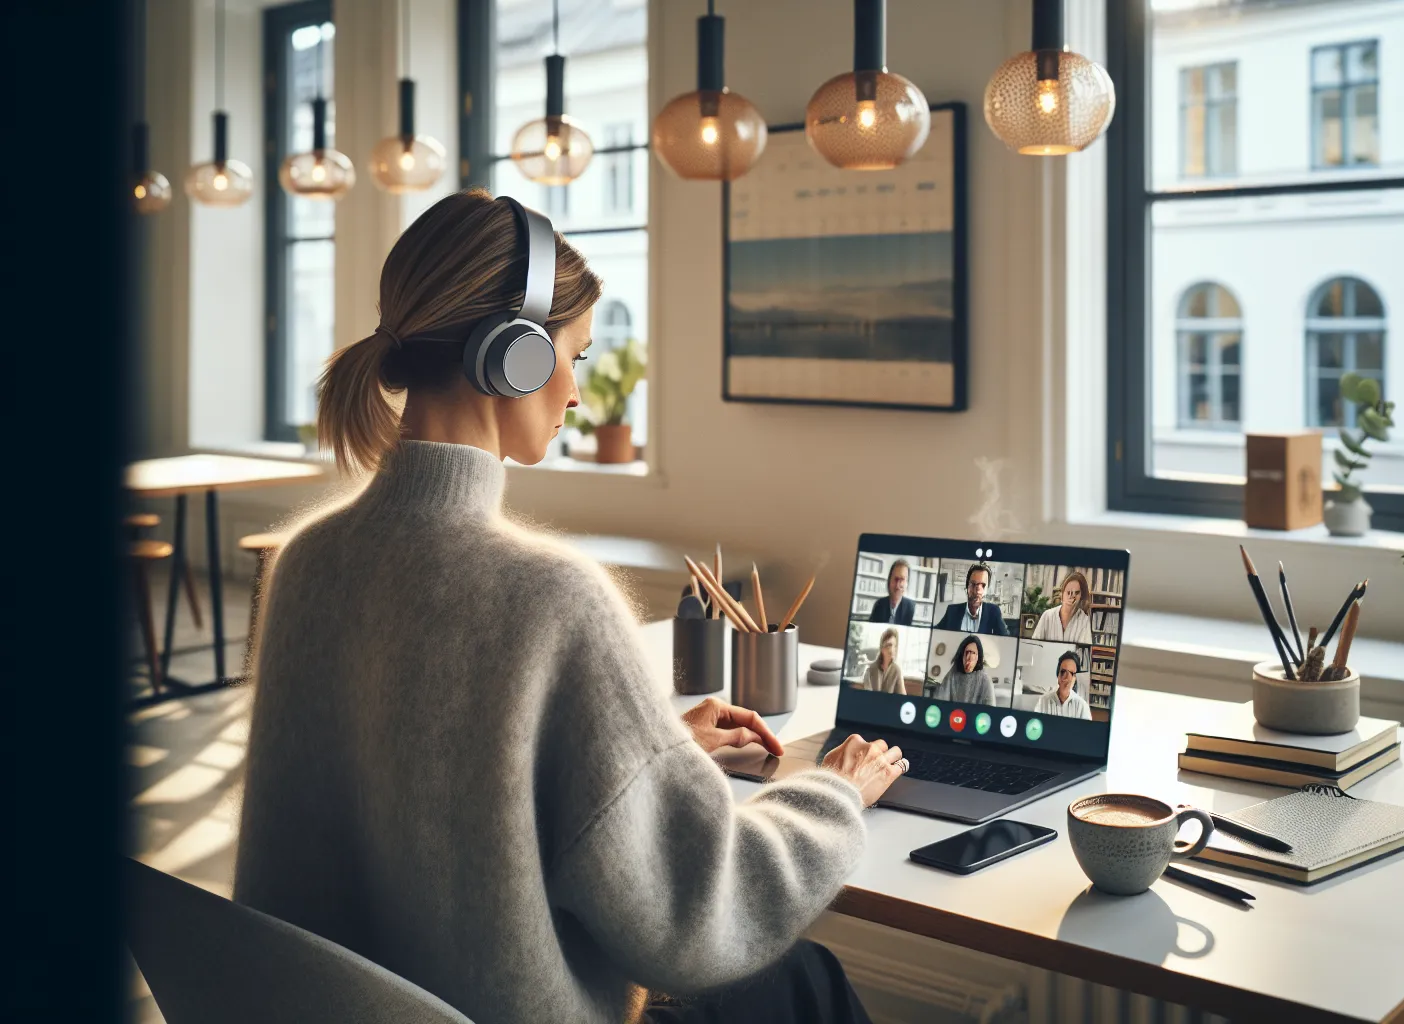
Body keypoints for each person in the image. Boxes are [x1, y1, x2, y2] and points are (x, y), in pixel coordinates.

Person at [233, 190, 905, 1024]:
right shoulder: (553, 596)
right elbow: (696, 916)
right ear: (511, 357)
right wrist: (834, 794)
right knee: (808, 980)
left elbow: (422, 792)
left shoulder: (307, 565)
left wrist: (639, 758)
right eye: (576, 356)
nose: (580, 394)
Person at [934, 563, 1009, 635]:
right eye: (973, 584)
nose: (977, 590)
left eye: (983, 585)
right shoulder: (952, 611)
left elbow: (1006, 639)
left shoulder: (993, 612)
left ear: (986, 590)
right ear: (967, 587)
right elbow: (935, 632)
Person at [1030, 570, 1094, 644]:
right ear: (1062, 594)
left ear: (1081, 596)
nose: (1072, 596)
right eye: (1068, 592)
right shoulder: (1047, 616)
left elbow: (1084, 651)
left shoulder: (1084, 620)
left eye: (1076, 593)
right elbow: (1035, 646)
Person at [1033, 651, 1093, 719]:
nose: (1067, 678)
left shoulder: (1082, 707)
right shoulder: (1043, 702)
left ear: (1075, 678)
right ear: (1058, 675)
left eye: (1072, 674)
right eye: (1063, 672)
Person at [939, 635, 995, 705]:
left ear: (978, 657)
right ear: (962, 655)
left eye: (973, 653)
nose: (969, 658)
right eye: (967, 652)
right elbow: (940, 700)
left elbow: (990, 708)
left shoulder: (985, 680)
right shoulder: (952, 674)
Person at [867, 559, 915, 624]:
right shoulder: (879, 604)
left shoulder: (911, 607)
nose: (897, 585)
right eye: (896, 579)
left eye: (902, 579)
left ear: (907, 583)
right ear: (889, 580)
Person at [860, 628, 906, 694]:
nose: (893, 649)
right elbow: (868, 697)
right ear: (882, 648)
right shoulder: (870, 670)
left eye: (895, 646)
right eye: (889, 645)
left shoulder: (897, 670)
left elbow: (903, 697)